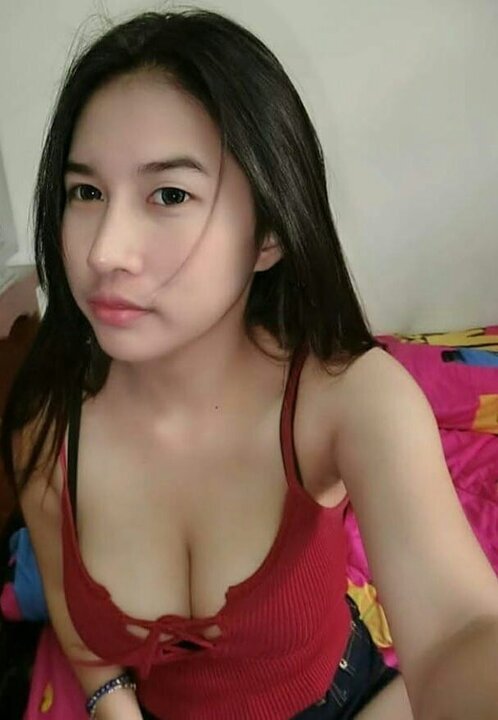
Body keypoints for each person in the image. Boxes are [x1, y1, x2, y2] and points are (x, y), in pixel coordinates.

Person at [1, 9, 497, 720]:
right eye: (86, 192)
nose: (104, 250)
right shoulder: (48, 429)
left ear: (268, 232)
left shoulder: (349, 399)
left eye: (169, 194)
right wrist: (116, 708)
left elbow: (459, 632)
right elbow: (83, 637)